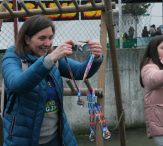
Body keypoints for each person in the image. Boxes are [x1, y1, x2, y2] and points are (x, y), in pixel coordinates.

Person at [2, 15, 103, 146]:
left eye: (50, 38)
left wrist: (95, 57)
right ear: (27, 39)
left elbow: (80, 71)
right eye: (42, 38)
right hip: (23, 139)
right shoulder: (12, 57)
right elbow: (17, 84)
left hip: (58, 138)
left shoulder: (52, 57)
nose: (48, 43)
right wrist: (50, 59)